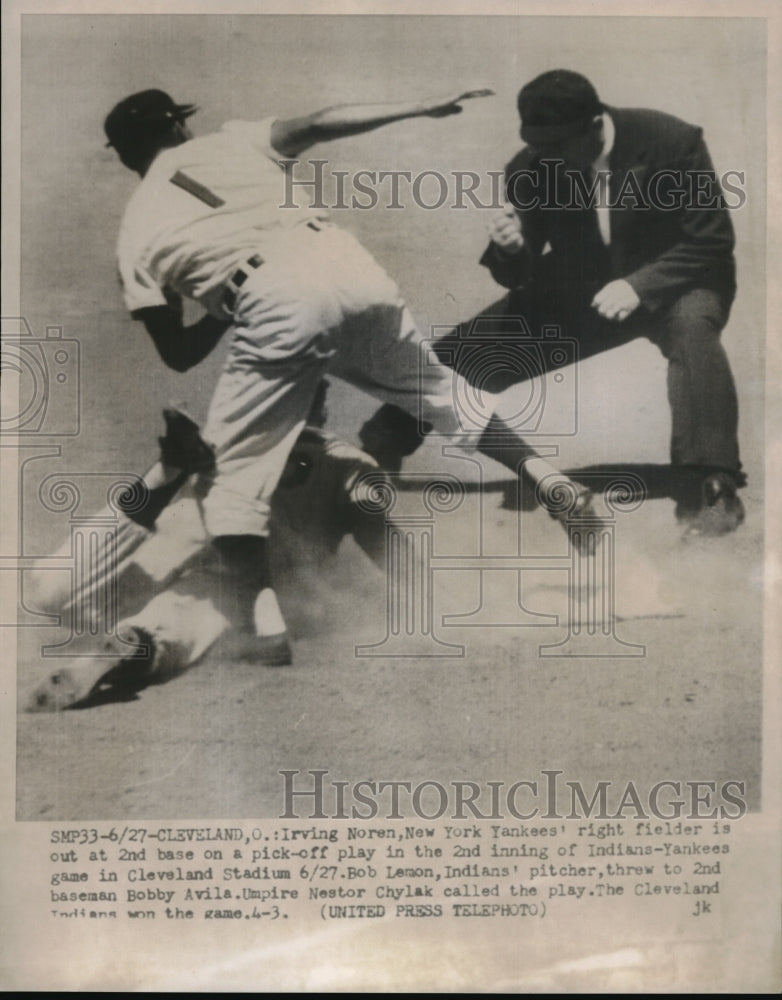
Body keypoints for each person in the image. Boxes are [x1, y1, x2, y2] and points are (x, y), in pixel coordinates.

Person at [102, 87, 600, 665]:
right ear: (180, 130)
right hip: (346, 261)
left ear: (123, 155)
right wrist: (415, 105)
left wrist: (224, 298)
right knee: (439, 393)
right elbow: (320, 121)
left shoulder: (134, 234)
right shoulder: (231, 141)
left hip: (271, 298)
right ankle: (551, 482)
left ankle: (266, 632)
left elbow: (180, 353)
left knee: (228, 476)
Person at [360, 70, 746, 537]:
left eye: (558, 146)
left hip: (678, 282)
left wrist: (640, 285)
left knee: (693, 331)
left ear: (596, 126)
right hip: (584, 288)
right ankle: (387, 435)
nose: (547, 159)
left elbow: (711, 242)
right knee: (482, 343)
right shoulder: (533, 166)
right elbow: (517, 274)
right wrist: (510, 248)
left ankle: (712, 484)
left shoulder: (671, 141)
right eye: (537, 146)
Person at [26, 381, 394, 711]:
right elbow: (384, 544)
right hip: (220, 566)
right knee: (163, 615)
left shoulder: (339, 465)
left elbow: (379, 537)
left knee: (72, 595)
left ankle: (127, 646)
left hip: (225, 566)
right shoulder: (344, 465)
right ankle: (132, 646)